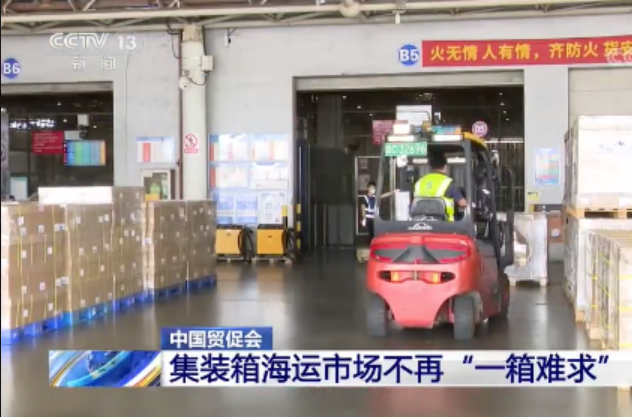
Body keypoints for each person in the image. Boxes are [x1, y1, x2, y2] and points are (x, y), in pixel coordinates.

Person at [414, 153, 467, 221]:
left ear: (430, 166)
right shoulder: (448, 182)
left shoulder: (419, 182)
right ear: (445, 167)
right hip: (444, 224)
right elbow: (462, 203)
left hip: (421, 223)